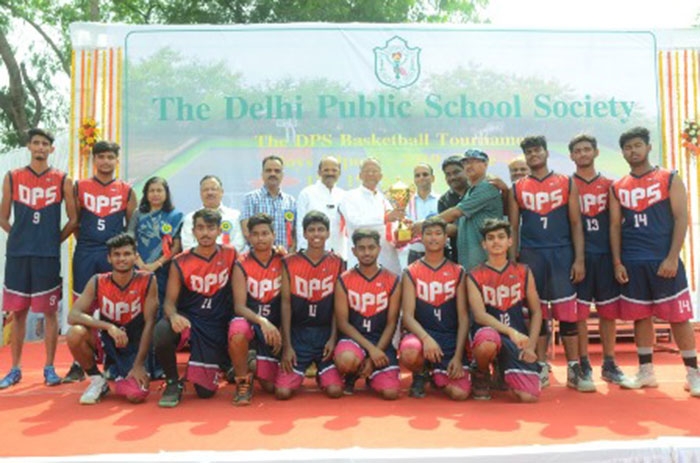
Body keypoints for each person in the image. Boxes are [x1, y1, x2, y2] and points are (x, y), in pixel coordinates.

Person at [610, 127, 700, 396]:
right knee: (640, 317)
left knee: (678, 317)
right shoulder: (618, 186)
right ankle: (646, 372)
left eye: (638, 145)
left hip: (663, 260)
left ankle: (693, 374)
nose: (633, 151)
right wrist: (617, 262)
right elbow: (614, 226)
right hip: (632, 261)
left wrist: (672, 257)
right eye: (628, 147)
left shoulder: (669, 177)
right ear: (622, 152)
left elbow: (681, 219)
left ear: (648, 147)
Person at [508, 135, 591, 392]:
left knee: (568, 314)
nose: (533, 155)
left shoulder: (566, 182)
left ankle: (574, 368)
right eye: (529, 152)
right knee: (538, 313)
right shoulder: (518, 187)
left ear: (546, 153)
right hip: (532, 255)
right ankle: (541, 365)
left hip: (562, 253)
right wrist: (512, 262)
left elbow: (576, 223)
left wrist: (579, 259)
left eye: (537, 150)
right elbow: (513, 227)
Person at [0, 128, 78, 388]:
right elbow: (2, 216)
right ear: (29, 146)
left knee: (50, 312)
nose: (40, 147)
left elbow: (74, 219)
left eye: (45, 143)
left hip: (47, 255)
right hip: (18, 254)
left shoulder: (62, 179)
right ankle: (15, 369)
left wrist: (54, 240)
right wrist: (18, 235)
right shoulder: (13, 176)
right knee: (18, 312)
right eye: (36, 143)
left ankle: (49, 368)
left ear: (51, 149)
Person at [65, 140, 137, 383]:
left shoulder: (127, 189)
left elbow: (131, 228)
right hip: (86, 252)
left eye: (110, 157)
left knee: (114, 304)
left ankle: (113, 357)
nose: (106, 161)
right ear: (94, 159)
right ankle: (79, 362)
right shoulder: (80, 186)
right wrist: (88, 242)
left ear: (117, 160)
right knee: (82, 304)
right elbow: (75, 221)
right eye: (101, 157)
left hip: (114, 254)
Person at [154, 208, 238, 407]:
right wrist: (173, 316)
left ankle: (225, 363)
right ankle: (173, 382)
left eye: (210, 228)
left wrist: (279, 252)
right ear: (193, 231)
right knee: (162, 330)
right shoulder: (180, 261)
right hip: (192, 321)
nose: (205, 233)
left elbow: (255, 263)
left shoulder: (231, 254)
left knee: (205, 393)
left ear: (219, 231)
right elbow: (169, 303)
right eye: (200, 228)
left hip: (219, 324)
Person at [65, 233, 157, 404]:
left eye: (127, 254)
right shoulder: (98, 281)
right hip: (108, 340)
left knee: (135, 395)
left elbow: (150, 323)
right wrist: (109, 327)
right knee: (75, 333)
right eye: (117, 254)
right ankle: (97, 380)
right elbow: (73, 315)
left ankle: (130, 371)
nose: (122, 259)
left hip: (135, 342)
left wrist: (138, 365)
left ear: (135, 257)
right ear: (109, 258)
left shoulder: (148, 280)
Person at [569, 134, 626, 385]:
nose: (583, 153)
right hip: (578, 257)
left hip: (604, 255)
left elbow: (617, 224)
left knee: (608, 312)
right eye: (578, 150)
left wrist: (617, 261)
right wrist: (576, 258)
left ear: (596, 152)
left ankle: (609, 363)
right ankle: (584, 364)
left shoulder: (610, 185)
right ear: (571, 156)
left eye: (587, 149)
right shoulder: (566, 185)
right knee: (579, 313)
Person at [467, 218, 542, 402]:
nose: (496, 241)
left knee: (528, 397)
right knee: (487, 343)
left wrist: (531, 346)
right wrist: (510, 332)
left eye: (501, 237)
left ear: (510, 241)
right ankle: (482, 372)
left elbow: (536, 312)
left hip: (517, 339)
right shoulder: (474, 275)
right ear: (484, 244)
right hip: (489, 334)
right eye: (491, 238)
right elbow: (480, 315)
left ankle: (502, 370)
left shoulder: (523, 271)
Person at [398, 217, 470, 400]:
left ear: (446, 238)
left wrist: (458, 356)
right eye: (428, 234)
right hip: (422, 336)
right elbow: (407, 316)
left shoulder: (458, 271)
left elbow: (463, 317)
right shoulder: (411, 271)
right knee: (410, 351)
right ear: (421, 238)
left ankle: (437, 375)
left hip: (449, 337)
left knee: (460, 394)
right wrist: (426, 338)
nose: (433, 238)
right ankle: (420, 372)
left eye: (438, 233)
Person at [276, 211, 345, 400]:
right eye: (311, 230)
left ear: (328, 233)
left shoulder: (338, 262)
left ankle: (323, 375)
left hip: (324, 333)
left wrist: (333, 338)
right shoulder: (289, 262)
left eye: (321, 229)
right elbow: (285, 304)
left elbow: (338, 305)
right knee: (282, 393)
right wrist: (287, 346)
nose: (316, 234)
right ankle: (300, 372)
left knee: (335, 391)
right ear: (304, 233)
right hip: (299, 334)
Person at [333, 228, 402, 400]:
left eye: (371, 247)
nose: (366, 252)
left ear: (379, 249)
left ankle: (371, 375)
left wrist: (374, 356)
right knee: (347, 360)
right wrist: (372, 350)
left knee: (391, 393)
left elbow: (392, 323)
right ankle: (351, 373)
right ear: (353, 251)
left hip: (380, 341)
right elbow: (342, 323)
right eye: (361, 248)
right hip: (353, 340)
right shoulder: (344, 279)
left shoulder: (392, 280)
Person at [415, 150, 503, 272]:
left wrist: (426, 225)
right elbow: (456, 227)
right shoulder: (469, 192)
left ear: (485, 164)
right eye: (466, 163)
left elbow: (456, 212)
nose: (469, 166)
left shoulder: (486, 187)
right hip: (469, 260)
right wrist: (426, 230)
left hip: (486, 260)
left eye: (474, 162)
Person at [229, 213, 284, 405]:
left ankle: (251, 363)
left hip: (275, 324)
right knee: (237, 330)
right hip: (253, 321)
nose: (260, 238)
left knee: (272, 388)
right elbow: (239, 306)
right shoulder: (241, 263)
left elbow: (289, 301)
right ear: (249, 237)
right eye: (255, 234)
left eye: (265, 233)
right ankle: (242, 381)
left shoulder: (283, 259)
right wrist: (262, 321)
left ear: (273, 235)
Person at [338, 158, 403, 274]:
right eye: (367, 171)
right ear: (360, 175)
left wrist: (403, 229)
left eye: (374, 171)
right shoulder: (349, 196)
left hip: (387, 259)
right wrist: (385, 218)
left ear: (381, 176)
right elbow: (355, 221)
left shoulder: (384, 198)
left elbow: (393, 223)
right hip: (362, 259)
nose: (371, 174)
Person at [128, 176, 183, 305]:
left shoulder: (175, 216)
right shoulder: (138, 213)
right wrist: (140, 263)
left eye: (159, 190)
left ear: (166, 193)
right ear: (146, 194)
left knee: (158, 303)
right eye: (151, 191)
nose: (155, 194)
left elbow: (176, 247)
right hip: (137, 266)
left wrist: (156, 264)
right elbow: (129, 239)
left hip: (163, 269)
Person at [241, 156, 297, 251]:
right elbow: (247, 231)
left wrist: (290, 253)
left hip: (285, 256)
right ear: (262, 174)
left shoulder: (291, 201)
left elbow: (295, 233)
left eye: (277, 171)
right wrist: (272, 251)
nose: (273, 174)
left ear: (282, 175)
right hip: (259, 256)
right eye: (268, 170)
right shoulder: (250, 198)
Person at [295, 157, 346, 258]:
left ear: (339, 173)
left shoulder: (344, 196)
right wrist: (303, 251)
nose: (330, 173)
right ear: (319, 172)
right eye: (326, 170)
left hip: (338, 254)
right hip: (311, 255)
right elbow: (300, 225)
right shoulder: (307, 194)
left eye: (334, 170)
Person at [179, 175, 244, 252]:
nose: (210, 193)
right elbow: (187, 245)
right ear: (200, 193)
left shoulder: (235, 215)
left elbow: (239, 243)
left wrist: (222, 257)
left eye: (213, 189)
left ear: (222, 192)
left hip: (229, 258)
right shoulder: (190, 218)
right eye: (206, 190)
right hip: (198, 259)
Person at [404, 163, 440, 265]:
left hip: (438, 254)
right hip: (415, 253)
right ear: (414, 180)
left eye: (425, 174)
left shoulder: (441, 200)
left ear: (433, 178)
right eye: (417, 175)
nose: (421, 178)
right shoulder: (406, 203)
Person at [437, 156, 469, 263]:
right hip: (458, 256)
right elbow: (446, 229)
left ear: (466, 170)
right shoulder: (443, 200)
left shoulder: (477, 192)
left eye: (456, 172)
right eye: (448, 174)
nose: (452, 177)